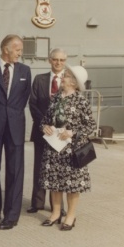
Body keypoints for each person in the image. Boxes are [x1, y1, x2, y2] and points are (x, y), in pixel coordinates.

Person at [0, 34, 31, 230]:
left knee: (15, 172)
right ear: (5, 49)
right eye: (17, 49)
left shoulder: (25, 70)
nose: (20, 53)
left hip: (15, 128)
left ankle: (11, 216)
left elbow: (22, 99)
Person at [40, 65, 95, 231]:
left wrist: (72, 132)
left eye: (67, 76)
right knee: (54, 182)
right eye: (64, 75)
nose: (62, 77)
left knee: (72, 185)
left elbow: (91, 126)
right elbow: (45, 119)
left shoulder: (81, 101)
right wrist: (45, 127)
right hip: (54, 148)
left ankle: (70, 215)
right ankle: (56, 213)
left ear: (75, 83)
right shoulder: (56, 98)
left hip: (72, 150)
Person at [28, 48, 67, 215]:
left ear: (65, 62)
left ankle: (57, 206)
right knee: (40, 167)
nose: (58, 63)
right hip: (43, 132)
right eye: (55, 59)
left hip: (61, 134)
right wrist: (43, 124)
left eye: (61, 60)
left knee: (58, 169)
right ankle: (37, 203)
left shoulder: (69, 80)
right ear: (49, 60)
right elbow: (33, 103)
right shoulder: (39, 79)